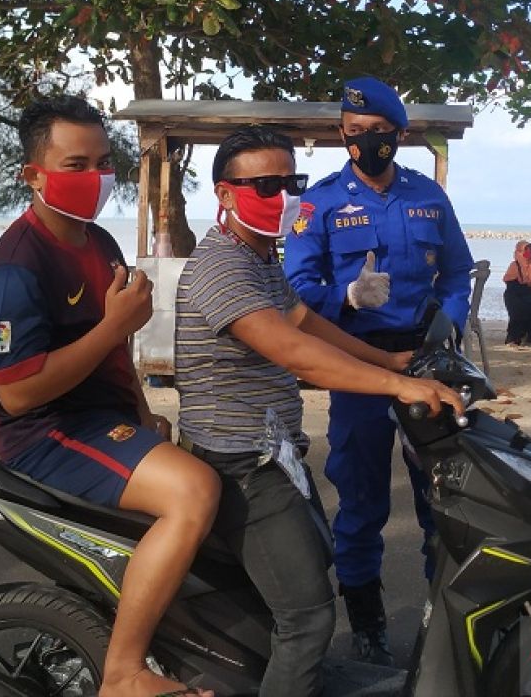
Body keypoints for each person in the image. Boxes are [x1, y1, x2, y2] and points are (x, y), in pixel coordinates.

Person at [176, 126, 463, 696]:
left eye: (289, 182)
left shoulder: (256, 258)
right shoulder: (222, 267)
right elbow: (296, 352)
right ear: (225, 195)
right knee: (309, 618)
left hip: (271, 449)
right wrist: (395, 385)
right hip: (241, 462)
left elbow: (307, 321)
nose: (281, 196)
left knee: (306, 572)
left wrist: (391, 358)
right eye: (263, 184)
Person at [0, 95, 219, 697]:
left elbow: (115, 355)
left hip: (102, 420)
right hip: (48, 434)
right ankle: (124, 672)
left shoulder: (98, 242)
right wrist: (115, 326)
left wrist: (143, 414)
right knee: (194, 493)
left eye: (104, 163)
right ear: (33, 174)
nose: (95, 178)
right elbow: (21, 393)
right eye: (75, 165)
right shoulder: (15, 269)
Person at [282, 77, 474, 666]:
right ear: (342, 134)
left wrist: (450, 322)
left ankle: (440, 619)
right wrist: (345, 297)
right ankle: (367, 623)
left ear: (399, 133)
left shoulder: (429, 198)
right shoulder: (318, 203)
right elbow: (294, 289)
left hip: (425, 359)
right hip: (357, 362)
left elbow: (458, 274)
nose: (365, 142)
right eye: (354, 132)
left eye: (377, 132)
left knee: (444, 497)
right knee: (361, 497)